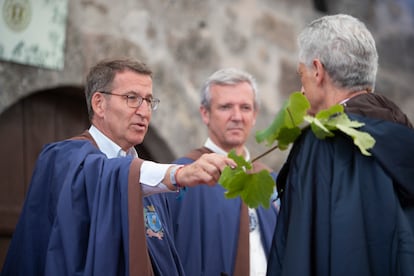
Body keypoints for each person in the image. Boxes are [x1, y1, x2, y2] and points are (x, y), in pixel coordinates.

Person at [1, 58, 236, 276]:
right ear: (99, 104)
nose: (144, 111)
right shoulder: (64, 159)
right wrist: (178, 173)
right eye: (132, 98)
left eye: (148, 100)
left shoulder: (148, 182)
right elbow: (105, 174)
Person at [266, 14, 414, 276]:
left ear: (318, 70)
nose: (301, 90)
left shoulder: (322, 145)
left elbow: (300, 254)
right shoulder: (404, 138)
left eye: (302, 76)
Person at [157, 68, 279, 276]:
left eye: (245, 107)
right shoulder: (183, 176)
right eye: (225, 107)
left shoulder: (270, 182)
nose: (237, 116)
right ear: (205, 113)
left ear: (255, 115)